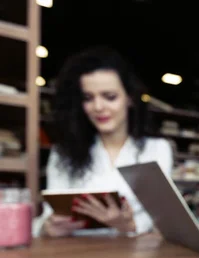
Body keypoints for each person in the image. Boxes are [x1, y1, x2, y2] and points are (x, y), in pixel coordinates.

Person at [33, 47, 173, 238]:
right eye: (88, 98)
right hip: (74, 256)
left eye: (110, 97)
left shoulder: (156, 149)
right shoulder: (63, 152)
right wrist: (47, 228)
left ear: (130, 98)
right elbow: (49, 217)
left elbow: (162, 220)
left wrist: (130, 225)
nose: (98, 107)